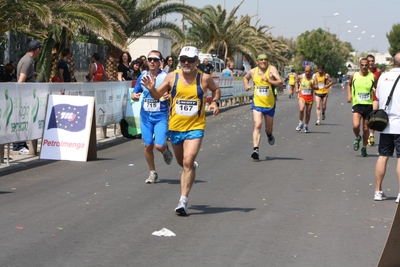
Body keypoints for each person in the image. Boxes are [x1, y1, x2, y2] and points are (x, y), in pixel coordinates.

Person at [140, 46, 221, 216]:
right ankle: (189, 168)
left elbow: (216, 89)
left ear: (196, 62)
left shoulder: (204, 78)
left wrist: (215, 102)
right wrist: (151, 88)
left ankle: (182, 200)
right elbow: (156, 96)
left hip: (195, 126)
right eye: (183, 59)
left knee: (188, 161)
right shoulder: (172, 76)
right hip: (175, 127)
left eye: (190, 60)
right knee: (181, 162)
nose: (186, 63)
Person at [130, 50, 173, 184]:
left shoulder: (167, 77)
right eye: (150, 59)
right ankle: (152, 172)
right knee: (148, 145)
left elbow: (175, 95)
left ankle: (165, 150)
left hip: (161, 116)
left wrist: (169, 96)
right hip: (145, 117)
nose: (152, 62)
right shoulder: (142, 76)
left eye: (155, 59)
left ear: (161, 62)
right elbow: (135, 93)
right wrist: (134, 97)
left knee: (159, 146)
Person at [243, 52, 283, 160]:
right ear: (257, 62)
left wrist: (269, 80)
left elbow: (280, 83)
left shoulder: (272, 69)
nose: (263, 61)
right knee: (257, 124)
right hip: (257, 103)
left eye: (265, 59)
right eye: (261, 60)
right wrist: (246, 85)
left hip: (269, 104)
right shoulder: (252, 71)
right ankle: (255, 149)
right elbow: (245, 78)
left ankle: (269, 134)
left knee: (268, 128)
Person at [373, 52, 400, 202]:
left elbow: (378, 97)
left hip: (385, 125)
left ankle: (378, 191)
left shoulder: (383, 77)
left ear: (393, 63)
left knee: (383, 156)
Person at [15, 39, 42, 154]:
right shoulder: (27, 61)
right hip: (24, 97)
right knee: (22, 120)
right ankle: (18, 145)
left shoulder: (28, 59)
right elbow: (21, 80)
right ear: (37, 50)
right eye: (39, 49)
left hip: (26, 96)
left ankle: (22, 144)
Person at [346, 58, 377, 157]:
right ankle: (358, 137)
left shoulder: (372, 76)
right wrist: (349, 95)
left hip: (368, 105)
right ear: (360, 65)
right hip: (357, 104)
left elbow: (377, 88)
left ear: (369, 66)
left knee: (365, 128)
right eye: (362, 65)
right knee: (355, 126)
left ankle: (364, 148)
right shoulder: (354, 76)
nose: (364, 67)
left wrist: (376, 93)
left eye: (366, 65)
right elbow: (349, 85)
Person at [295, 66, 318, 133]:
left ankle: (306, 125)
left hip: (310, 97)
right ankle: (300, 123)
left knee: (308, 113)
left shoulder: (314, 77)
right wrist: (296, 88)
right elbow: (296, 81)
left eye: (308, 71)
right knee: (301, 109)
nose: (307, 73)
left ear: (311, 71)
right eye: (306, 71)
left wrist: (312, 86)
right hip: (302, 96)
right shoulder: (301, 76)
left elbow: (317, 88)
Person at [368, 54, 382, 146]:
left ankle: (371, 135)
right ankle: (366, 133)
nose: (371, 63)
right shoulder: (363, 72)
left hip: (375, 97)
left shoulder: (378, 71)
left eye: (372, 61)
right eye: (369, 61)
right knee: (366, 118)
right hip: (365, 97)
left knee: (373, 115)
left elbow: (381, 83)